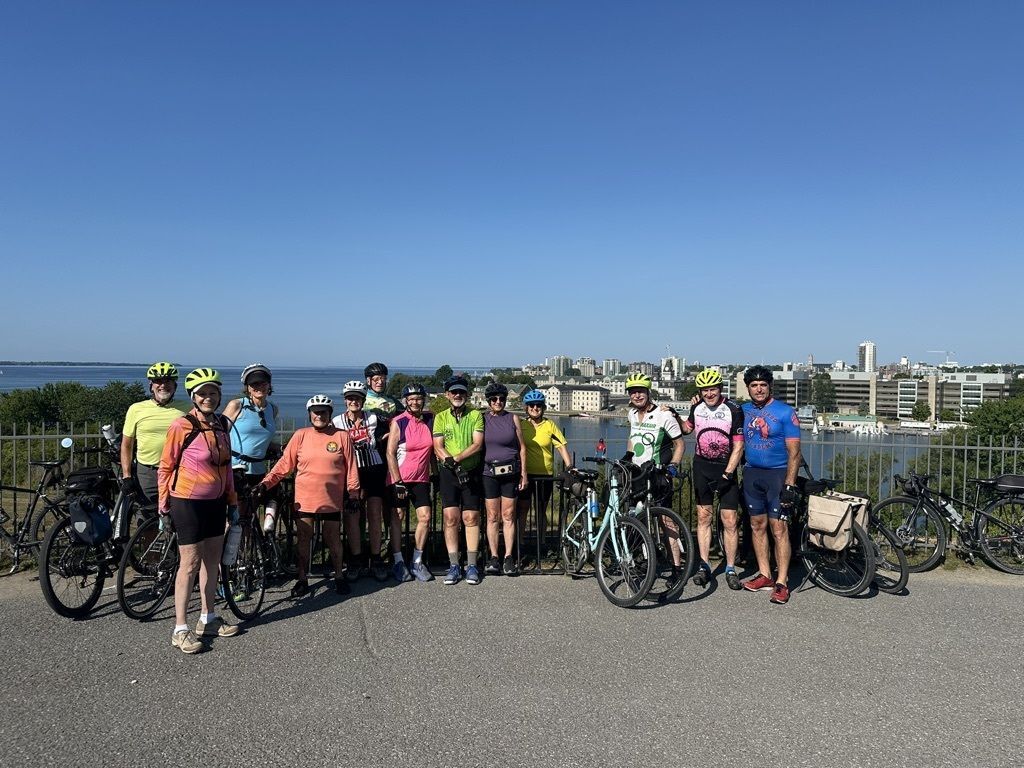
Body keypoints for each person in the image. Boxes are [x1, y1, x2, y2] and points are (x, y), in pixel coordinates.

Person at [157, 368, 239, 654]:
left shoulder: (219, 426)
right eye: (202, 394)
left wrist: (232, 502)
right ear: (193, 397)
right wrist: (163, 505)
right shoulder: (182, 426)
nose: (208, 398)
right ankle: (180, 628)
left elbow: (226, 467)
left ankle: (209, 618)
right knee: (189, 564)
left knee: (212, 562)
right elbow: (166, 466)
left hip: (216, 502)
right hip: (187, 502)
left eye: (213, 393)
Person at [255, 395, 360, 598]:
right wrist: (265, 483)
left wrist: (353, 493)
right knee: (303, 538)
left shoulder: (342, 436)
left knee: (333, 538)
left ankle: (339, 576)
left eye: (323, 412)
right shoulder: (300, 435)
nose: (319, 415)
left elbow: (351, 467)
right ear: (309, 414)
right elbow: (284, 465)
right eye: (315, 412)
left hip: (332, 498)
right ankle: (302, 579)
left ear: (330, 414)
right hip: (305, 498)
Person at [740, 365, 802, 605]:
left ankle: (782, 581)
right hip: (751, 474)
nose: (758, 389)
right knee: (757, 525)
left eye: (763, 385)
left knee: (779, 529)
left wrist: (790, 484)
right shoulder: (743, 410)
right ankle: (765, 574)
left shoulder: (786, 412)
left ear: (770, 387)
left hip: (777, 475)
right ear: (748, 388)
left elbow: (794, 453)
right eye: (754, 385)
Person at [681, 368, 745, 590]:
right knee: (703, 518)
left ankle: (729, 567)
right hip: (701, 467)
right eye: (705, 390)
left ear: (720, 388)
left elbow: (738, 445)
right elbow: (686, 429)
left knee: (729, 520)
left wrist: (728, 473)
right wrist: (670, 413)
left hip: (725, 469)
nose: (709, 393)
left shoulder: (733, 409)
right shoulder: (697, 407)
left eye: (713, 389)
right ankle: (705, 565)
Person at [624, 372, 687, 584]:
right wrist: (627, 457)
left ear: (648, 392)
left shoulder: (664, 415)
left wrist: (673, 467)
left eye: (640, 391)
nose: (637, 395)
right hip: (638, 473)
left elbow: (680, 444)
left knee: (665, 520)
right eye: (633, 392)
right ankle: (643, 562)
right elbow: (632, 438)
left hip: (658, 473)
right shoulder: (632, 414)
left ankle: (676, 568)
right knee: (636, 517)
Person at [333, 380, 390, 582]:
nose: (353, 401)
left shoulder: (374, 418)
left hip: (373, 470)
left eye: (357, 397)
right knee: (352, 516)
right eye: (350, 398)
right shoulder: (337, 422)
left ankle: (376, 559)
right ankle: (355, 559)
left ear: (364, 400)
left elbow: (392, 433)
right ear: (345, 400)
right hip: (350, 472)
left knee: (375, 515)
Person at [432, 375, 485, 585]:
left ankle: (471, 565)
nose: (457, 395)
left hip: (469, 471)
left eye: (461, 392)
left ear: (467, 394)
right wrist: (451, 463)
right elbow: (437, 445)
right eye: (454, 392)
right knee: (450, 518)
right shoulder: (440, 417)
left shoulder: (475, 415)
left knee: (471, 518)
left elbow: (477, 444)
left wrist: (458, 460)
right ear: (447, 395)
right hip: (448, 473)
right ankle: (454, 565)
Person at [385, 383, 435, 582]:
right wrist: (397, 481)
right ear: (406, 401)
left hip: (421, 478)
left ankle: (417, 561)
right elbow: (390, 453)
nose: (415, 402)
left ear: (424, 400)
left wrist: (436, 472)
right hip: (400, 478)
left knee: (426, 517)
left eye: (419, 398)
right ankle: (398, 561)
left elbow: (431, 450)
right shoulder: (399, 421)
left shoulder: (430, 419)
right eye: (411, 399)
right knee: (397, 516)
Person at [121, 362, 190, 504]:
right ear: (151, 385)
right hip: (147, 471)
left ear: (175, 385)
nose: (163, 385)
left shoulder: (188, 408)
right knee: (146, 514)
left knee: (179, 513)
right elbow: (127, 445)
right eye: (158, 381)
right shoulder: (136, 409)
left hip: (179, 470)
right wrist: (127, 476)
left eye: (168, 381)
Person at [222, 363, 279, 532]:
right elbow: (220, 434)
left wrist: (284, 448)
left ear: (269, 385)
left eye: (263, 383)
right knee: (234, 517)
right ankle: (226, 555)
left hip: (258, 470)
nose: (259, 387)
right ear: (247, 387)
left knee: (248, 516)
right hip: (236, 469)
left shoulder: (272, 409)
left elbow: (264, 440)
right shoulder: (237, 405)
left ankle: (246, 556)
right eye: (254, 384)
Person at [517, 390, 573, 560]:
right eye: (532, 406)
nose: (535, 408)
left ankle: (541, 543)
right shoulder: (521, 424)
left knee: (541, 510)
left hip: (545, 474)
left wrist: (569, 466)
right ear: (526, 408)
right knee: (523, 509)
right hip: (525, 474)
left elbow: (561, 446)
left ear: (543, 407)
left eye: (539, 405)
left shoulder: (550, 425)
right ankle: (520, 543)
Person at [481, 383, 528, 576]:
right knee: (492, 516)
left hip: (510, 473)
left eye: (501, 399)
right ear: (489, 401)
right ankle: (494, 557)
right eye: (494, 399)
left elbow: (522, 448)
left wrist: (524, 473)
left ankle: (508, 557)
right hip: (489, 473)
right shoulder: (482, 420)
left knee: (508, 515)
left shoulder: (513, 418)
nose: (498, 402)